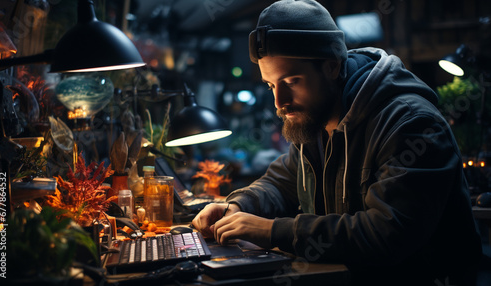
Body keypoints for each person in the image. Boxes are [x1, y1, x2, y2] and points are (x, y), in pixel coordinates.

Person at [192, 0, 482, 284]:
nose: (280, 103)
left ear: (332, 67)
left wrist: (273, 231)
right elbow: (280, 183)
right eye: (271, 85)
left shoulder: (410, 123)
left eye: (291, 81)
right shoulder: (314, 122)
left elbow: (387, 234)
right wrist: (239, 206)